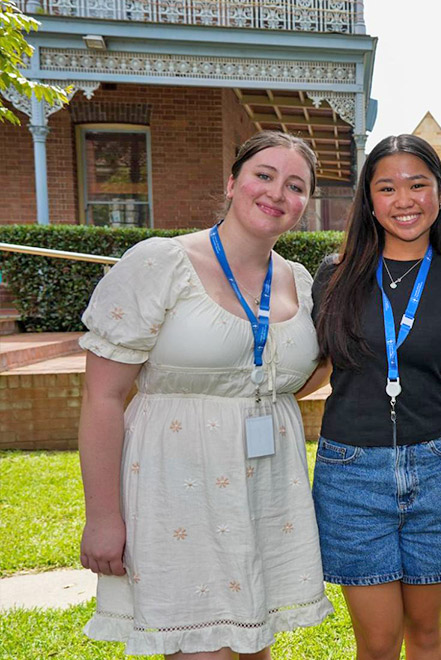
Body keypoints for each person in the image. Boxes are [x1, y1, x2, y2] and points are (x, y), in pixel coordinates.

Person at [77, 131, 331, 658]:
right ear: (233, 182)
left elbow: (286, 380)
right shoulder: (161, 262)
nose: (277, 193)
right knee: (203, 648)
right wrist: (102, 516)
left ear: (305, 204)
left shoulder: (300, 282)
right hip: (177, 488)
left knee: (255, 647)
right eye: (264, 175)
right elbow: (102, 398)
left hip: (266, 490)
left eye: (295, 185)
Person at [307, 135, 441, 660]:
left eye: (417, 184)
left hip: (436, 467)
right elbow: (315, 366)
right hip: (351, 473)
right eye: (387, 187)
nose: (403, 199)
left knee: (427, 635)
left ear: (440, 194)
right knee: (379, 643)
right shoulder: (334, 275)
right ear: (368, 199)